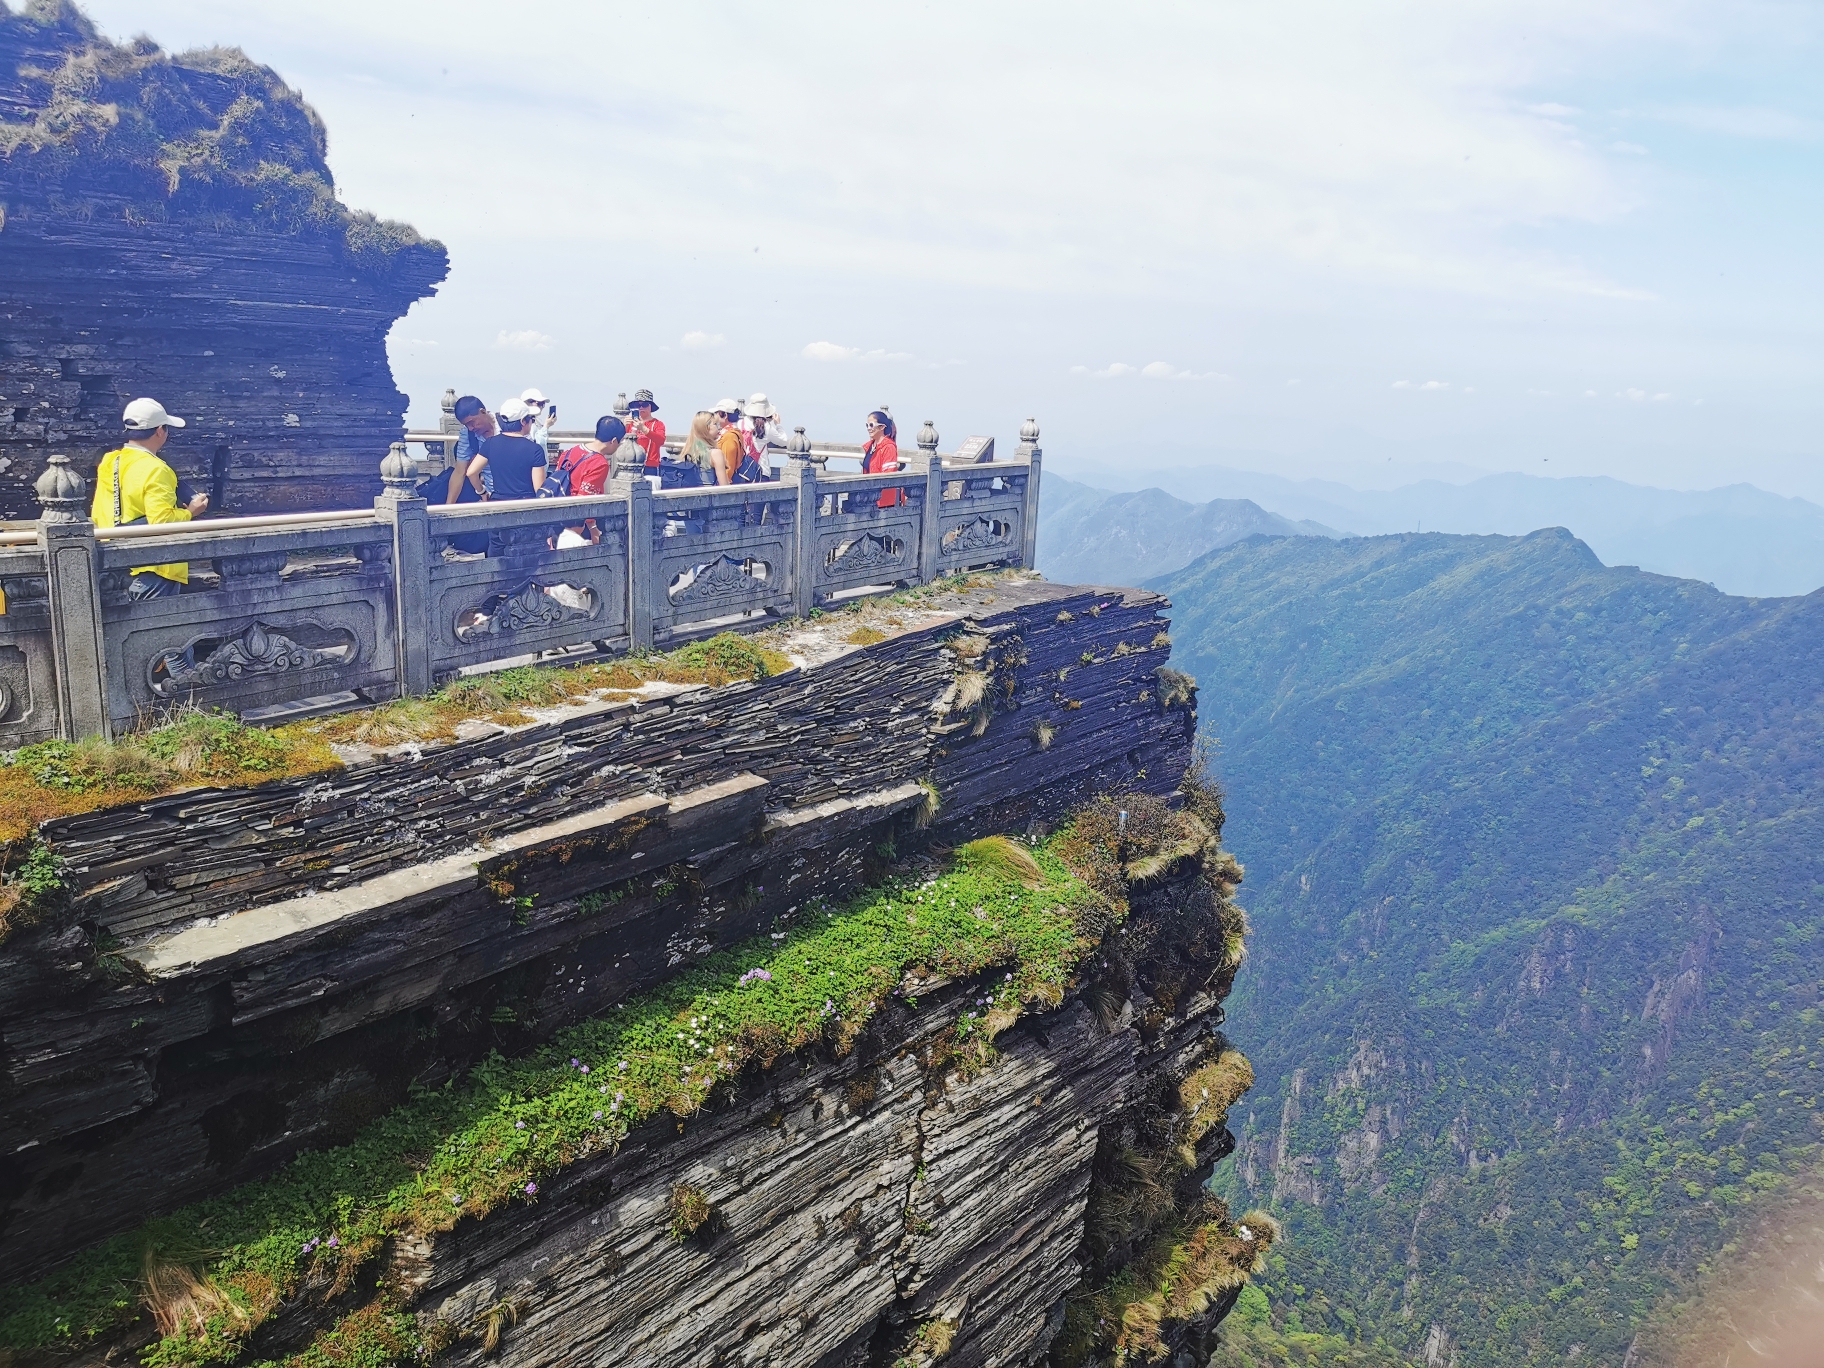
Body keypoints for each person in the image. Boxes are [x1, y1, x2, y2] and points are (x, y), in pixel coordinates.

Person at [92, 398, 207, 598]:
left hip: (115, 561)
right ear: (160, 430)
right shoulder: (156, 469)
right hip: (154, 566)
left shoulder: (111, 460)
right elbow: (161, 522)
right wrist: (190, 512)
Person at [468, 398, 547, 501]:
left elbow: (471, 472)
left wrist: (482, 492)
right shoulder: (535, 449)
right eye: (531, 418)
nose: (532, 422)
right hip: (526, 507)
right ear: (523, 421)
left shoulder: (490, 443)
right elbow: (539, 491)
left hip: (498, 504)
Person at [449, 395, 497, 500]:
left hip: (517, 494)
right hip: (492, 497)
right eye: (466, 425)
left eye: (472, 422)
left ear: (483, 412)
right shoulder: (467, 434)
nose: (470, 428)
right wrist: (448, 508)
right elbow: (459, 472)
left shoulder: (507, 426)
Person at [863, 407, 903, 508]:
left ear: (882, 427)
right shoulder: (870, 447)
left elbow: (888, 474)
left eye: (871, 425)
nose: (869, 428)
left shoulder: (888, 447)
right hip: (871, 498)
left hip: (884, 502)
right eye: (867, 425)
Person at [676, 411, 719, 484]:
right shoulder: (715, 453)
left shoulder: (688, 450)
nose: (719, 428)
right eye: (715, 424)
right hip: (709, 494)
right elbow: (724, 487)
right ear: (706, 428)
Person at [627, 389, 666, 469]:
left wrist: (644, 429)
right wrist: (623, 425)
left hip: (650, 466)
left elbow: (661, 440)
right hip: (631, 466)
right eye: (638, 405)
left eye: (644, 405)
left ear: (650, 407)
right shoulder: (630, 424)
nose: (641, 408)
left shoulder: (658, 424)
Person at [712, 399, 745, 486]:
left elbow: (728, 466)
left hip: (726, 483)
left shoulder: (729, 436)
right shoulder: (732, 432)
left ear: (724, 415)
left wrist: (723, 485)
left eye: (717, 413)